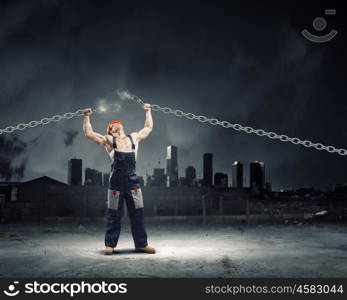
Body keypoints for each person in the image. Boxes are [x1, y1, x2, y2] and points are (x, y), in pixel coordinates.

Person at [83, 103, 155, 255]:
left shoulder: (134, 137)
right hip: (115, 181)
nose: (114, 125)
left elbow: (148, 128)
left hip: (133, 180)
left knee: (138, 212)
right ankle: (110, 245)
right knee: (114, 213)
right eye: (111, 126)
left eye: (116, 123)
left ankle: (141, 244)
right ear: (110, 131)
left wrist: (148, 111)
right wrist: (86, 116)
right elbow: (89, 134)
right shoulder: (109, 140)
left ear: (121, 126)